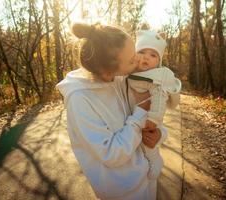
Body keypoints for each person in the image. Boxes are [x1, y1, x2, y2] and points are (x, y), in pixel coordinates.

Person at [56, 22, 167, 200]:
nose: (138, 60)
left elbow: (153, 117)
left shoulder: (120, 78)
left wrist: (159, 134)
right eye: (132, 59)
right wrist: (140, 112)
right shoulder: (80, 100)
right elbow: (110, 153)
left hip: (146, 178)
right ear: (108, 73)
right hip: (123, 192)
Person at [127, 24, 181, 180]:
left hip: (150, 118)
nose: (146, 57)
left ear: (159, 61)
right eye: (142, 52)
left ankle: (155, 160)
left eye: (153, 55)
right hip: (132, 119)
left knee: (148, 144)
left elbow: (159, 97)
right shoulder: (128, 73)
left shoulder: (156, 77)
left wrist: (154, 118)